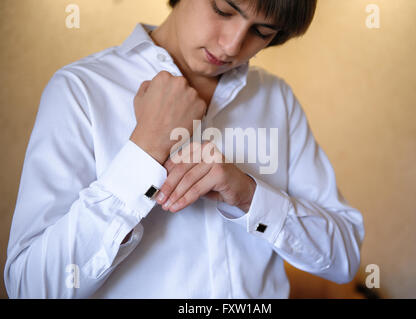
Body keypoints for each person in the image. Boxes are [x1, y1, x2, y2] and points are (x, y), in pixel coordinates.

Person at [4, 0, 365, 298]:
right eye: (224, 10)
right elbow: (29, 289)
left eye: (262, 31)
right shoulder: (81, 90)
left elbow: (343, 258)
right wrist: (143, 153)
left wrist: (250, 197)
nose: (232, 46)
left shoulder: (277, 99)